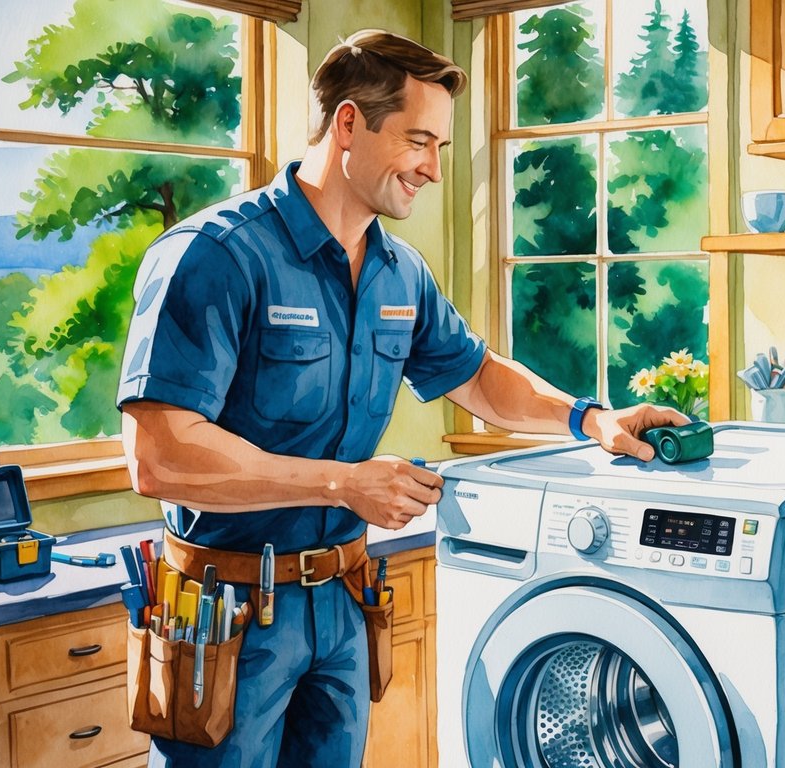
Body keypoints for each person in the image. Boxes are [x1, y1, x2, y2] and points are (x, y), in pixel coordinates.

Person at [117, 28, 687, 767]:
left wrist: (590, 419)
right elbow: (157, 457)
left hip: (344, 607)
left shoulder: (398, 272)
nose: (432, 169)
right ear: (349, 123)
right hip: (228, 619)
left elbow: (477, 376)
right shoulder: (216, 255)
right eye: (418, 141)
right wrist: (343, 482)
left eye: (441, 148)